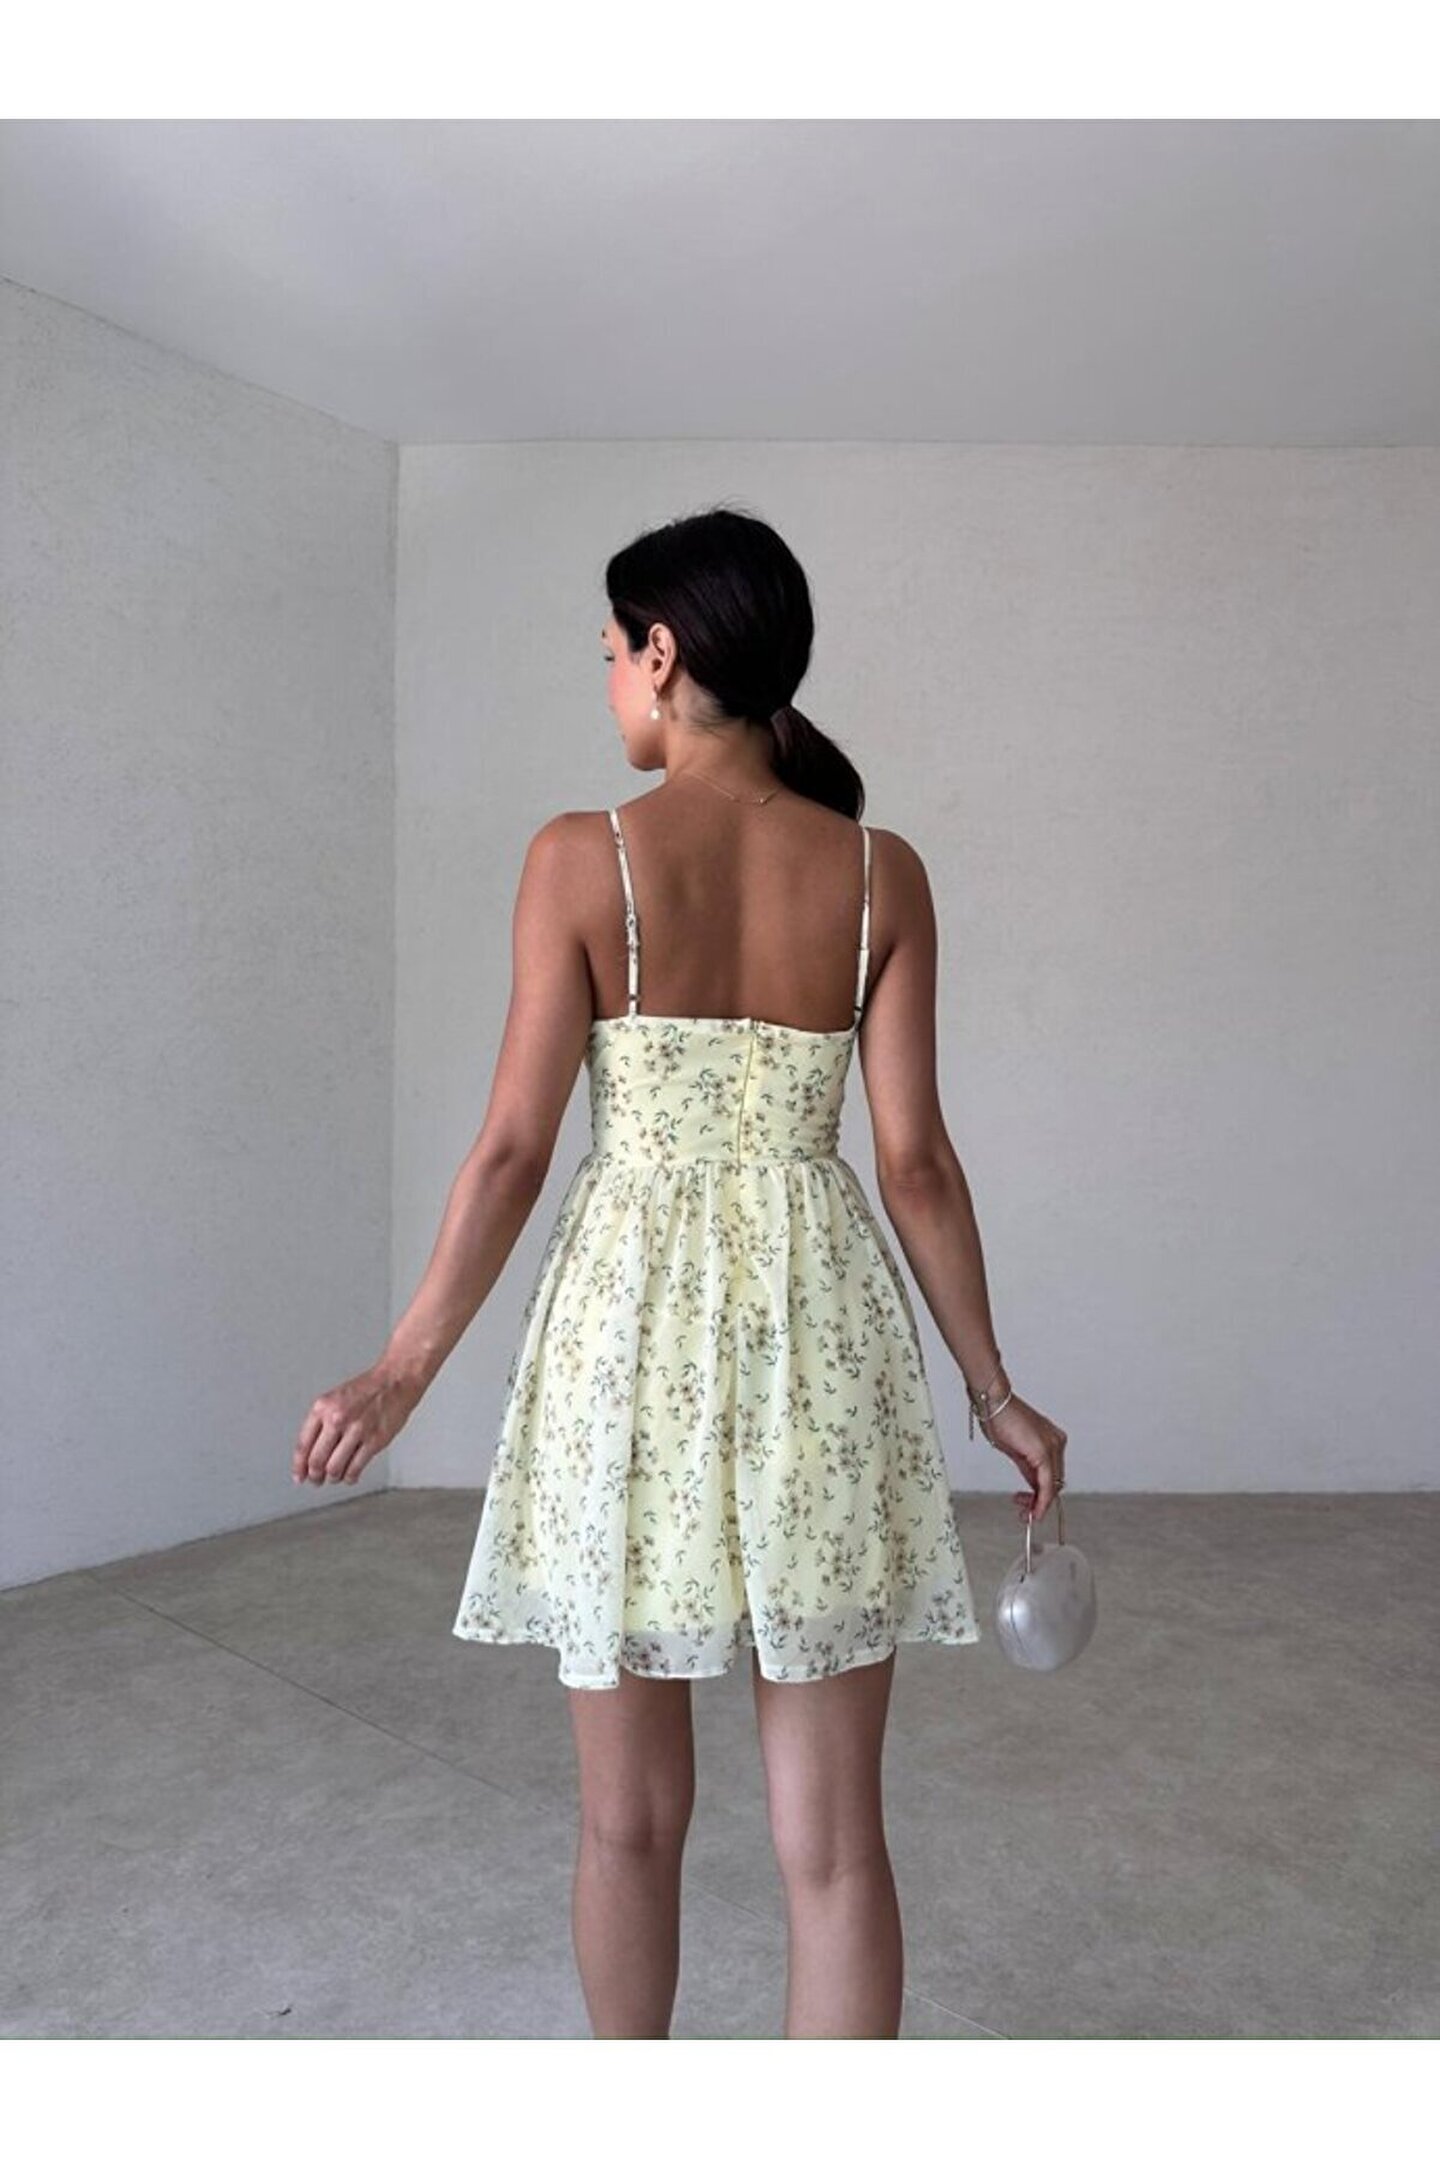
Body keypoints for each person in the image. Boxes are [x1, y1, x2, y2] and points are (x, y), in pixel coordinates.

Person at [292, 505, 1069, 2040]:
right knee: (835, 1850)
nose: (607, 688)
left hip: (626, 1338)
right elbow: (915, 1164)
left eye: (607, 655)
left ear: (663, 656)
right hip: (821, 1340)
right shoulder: (880, 873)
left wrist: (399, 1374)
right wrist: (995, 1395)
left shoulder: (581, 860)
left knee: (628, 1827)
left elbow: (511, 1154)